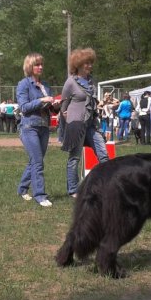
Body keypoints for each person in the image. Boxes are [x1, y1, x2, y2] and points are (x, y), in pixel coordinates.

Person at [60, 48, 109, 198]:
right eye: (87, 63)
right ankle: (73, 190)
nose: (90, 65)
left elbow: (92, 102)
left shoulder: (90, 81)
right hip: (76, 123)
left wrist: (102, 103)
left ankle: (106, 186)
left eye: (91, 63)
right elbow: (63, 105)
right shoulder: (70, 82)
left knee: (103, 155)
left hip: (91, 123)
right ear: (78, 64)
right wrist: (68, 120)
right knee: (74, 158)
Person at [16, 53, 60, 207]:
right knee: (38, 162)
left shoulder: (46, 85)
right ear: (30, 66)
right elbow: (24, 107)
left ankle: (22, 189)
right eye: (37, 64)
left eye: (41, 64)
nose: (40, 67)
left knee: (35, 161)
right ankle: (40, 195)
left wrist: (55, 106)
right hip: (29, 127)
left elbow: (50, 110)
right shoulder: (24, 84)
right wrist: (42, 100)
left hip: (44, 126)